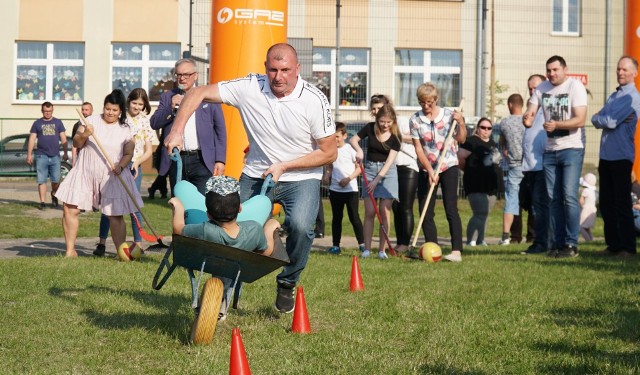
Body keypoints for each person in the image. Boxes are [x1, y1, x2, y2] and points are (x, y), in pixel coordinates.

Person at [164, 43, 337, 314]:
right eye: (272, 70)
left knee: (302, 227)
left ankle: (287, 282)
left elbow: (329, 152)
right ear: (265, 68)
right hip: (256, 174)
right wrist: (176, 131)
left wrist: (285, 166)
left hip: (301, 176)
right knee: (227, 227)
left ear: (297, 69)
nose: (278, 77)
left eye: (285, 70)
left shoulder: (314, 100)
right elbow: (197, 93)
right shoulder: (250, 87)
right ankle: (219, 292)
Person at [168, 175, 282, 321]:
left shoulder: (205, 229)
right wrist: (270, 227)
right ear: (240, 209)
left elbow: (178, 229)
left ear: (208, 214)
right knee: (230, 265)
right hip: (237, 264)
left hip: (206, 260)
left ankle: (219, 300)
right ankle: (222, 299)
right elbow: (265, 252)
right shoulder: (253, 229)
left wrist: (178, 206)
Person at [55, 89, 142, 257]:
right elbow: (78, 143)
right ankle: (70, 251)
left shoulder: (125, 128)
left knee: (115, 214)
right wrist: (85, 134)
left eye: (114, 110)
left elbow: (128, 153)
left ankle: (121, 253)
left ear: (120, 111)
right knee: (70, 208)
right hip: (85, 171)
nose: (110, 112)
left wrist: (121, 166)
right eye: (107, 108)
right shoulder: (89, 121)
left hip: (112, 175)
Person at [523, 55, 587, 258]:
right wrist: (527, 117)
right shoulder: (541, 88)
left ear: (564, 69)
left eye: (555, 70)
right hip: (550, 151)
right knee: (553, 199)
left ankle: (571, 243)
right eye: (549, 70)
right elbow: (530, 113)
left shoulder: (574, 87)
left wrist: (557, 124)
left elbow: (580, 120)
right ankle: (557, 244)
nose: (551, 74)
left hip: (571, 148)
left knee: (568, 196)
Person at [150, 58, 227, 195]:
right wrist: (170, 108)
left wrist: (220, 160)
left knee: (202, 205)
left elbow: (220, 130)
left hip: (202, 160)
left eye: (186, 75)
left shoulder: (208, 96)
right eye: (179, 75)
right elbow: (155, 123)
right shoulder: (168, 97)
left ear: (195, 75)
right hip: (177, 159)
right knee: (179, 205)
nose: (182, 78)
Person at [411, 82, 467, 262]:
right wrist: (428, 170)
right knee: (425, 209)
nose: (426, 106)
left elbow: (461, 139)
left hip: (449, 164)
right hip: (427, 168)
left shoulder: (450, 115)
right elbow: (419, 149)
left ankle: (456, 251)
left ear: (436, 99)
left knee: (451, 207)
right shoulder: (415, 120)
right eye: (422, 102)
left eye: (429, 102)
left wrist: (461, 123)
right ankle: (432, 248)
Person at [95, 88, 155, 256]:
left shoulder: (145, 122)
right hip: (115, 166)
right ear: (128, 101)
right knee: (110, 205)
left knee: (134, 207)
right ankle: (101, 243)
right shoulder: (121, 118)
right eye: (134, 103)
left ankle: (138, 244)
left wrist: (136, 163)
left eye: (140, 104)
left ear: (145, 106)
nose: (136, 107)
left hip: (133, 168)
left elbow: (148, 150)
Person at [591, 55, 640, 257]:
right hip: (606, 156)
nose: (620, 72)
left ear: (635, 73)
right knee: (606, 203)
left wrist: (601, 119)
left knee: (621, 203)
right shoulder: (614, 95)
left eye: (624, 69)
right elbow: (598, 118)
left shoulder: (633, 98)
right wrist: (602, 118)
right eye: (619, 69)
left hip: (621, 156)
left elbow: (609, 121)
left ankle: (628, 247)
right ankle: (613, 245)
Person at [350, 103, 400, 260]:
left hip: (388, 173)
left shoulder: (395, 138)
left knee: (385, 212)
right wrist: (359, 151)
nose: (385, 125)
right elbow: (353, 140)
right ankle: (367, 249)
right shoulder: (370, 128)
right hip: (370, 169)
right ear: (377, 120)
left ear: (393, 122)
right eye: (382, 121)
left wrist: (377, 180)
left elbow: (389, 162)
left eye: (388, 122)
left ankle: (381, 250)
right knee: (370, 212)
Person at [458, 118, 501, 248]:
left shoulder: (493, 143)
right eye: (483, 127)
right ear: (477, 128)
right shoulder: (471, 142)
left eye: (489, 128)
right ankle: (471, 240)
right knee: (479, 212)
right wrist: (468, 170)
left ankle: (480, 240)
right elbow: (460, 157)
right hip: (475, 183)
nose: (486, 130)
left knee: (485, 214)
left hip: (491, 184)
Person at [520, 74, 550, 255]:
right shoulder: (530, 110)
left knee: (541, 206)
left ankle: (542, 242)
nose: (533, 91)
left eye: (536, 88)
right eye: (530, 88)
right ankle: (539, 241)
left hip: (543, 165)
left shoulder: (546, 108)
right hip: (529, 166)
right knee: (532, 205)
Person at [326, 122, 365, 255]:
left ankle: (362, 244)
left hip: (350, 190)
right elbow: (330, 167)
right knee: (337, 218)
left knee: (354, 217)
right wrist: (327, 175)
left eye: (337, 136)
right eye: (333, 137)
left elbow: (360, 168)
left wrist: (348, 179)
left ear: (344, 136)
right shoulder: (332, 150)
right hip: (335, 190)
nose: (335, 140)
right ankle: (336, 245)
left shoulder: (350, 149)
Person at [26, 102, 68, 210]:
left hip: (55, 156)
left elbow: (63, 138)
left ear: (52, 111)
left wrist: (65, 153)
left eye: (50, 111)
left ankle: (54, 194)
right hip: (41, 156)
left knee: (56, 180)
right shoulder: (37, 123)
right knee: (42, 180)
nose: (48, 113)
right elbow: (32, 139)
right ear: (42, 111)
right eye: (45, 111)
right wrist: (29, 154)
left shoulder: (58, 122)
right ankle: (43, 202)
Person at [497, 94, 525, 245]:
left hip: (514, 166)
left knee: (512, 201)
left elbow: (502, 145)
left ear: (510, 105)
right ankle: (536, 235)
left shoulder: (505, 123)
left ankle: (506, 236)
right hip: (531, 166)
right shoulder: (529, 121)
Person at [393, 112, 419, 255]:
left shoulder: (403, 121)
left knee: (405, 206)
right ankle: (399, 242)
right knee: (395, 207)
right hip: (392, 168)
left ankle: (405, 243)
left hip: (408, 166)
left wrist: (397, 136)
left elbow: (415, 139)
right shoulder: (380, 125)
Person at [71, 102, 93, 167]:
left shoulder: (96, 124)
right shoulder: (77, 125)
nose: (84, 112)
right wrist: (74, 161)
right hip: (81, 156)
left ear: (92, 111)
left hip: (93, 156)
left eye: (86, 110)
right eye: (83, 110)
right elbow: (74, 144)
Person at [579, 173, 597, 242]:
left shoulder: (585, 190)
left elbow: (581, 201)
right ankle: (591, 240)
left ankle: (587, 240)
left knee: (582, 226)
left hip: (586, 210)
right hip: (593, 210)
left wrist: (580, 207)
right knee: (587, 227)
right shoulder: (592, 191)